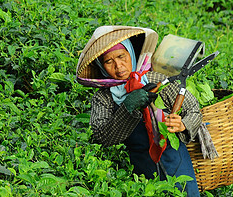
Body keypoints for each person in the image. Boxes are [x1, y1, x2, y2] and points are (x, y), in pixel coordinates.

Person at [76, 26, 201, 197]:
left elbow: (193, 109)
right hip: (142, 169)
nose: (118, 66)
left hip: (178, 163)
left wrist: (183, 125)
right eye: (109, 61)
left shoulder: (156, 79)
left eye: (121, 56)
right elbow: (103, 137)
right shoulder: (103, 98)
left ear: (131, 54)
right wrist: (127, 107)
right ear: (102, 66)